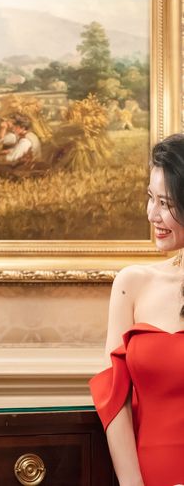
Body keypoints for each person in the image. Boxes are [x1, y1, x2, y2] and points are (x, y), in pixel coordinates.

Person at [90, 134, 184, 486]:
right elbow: (114, 398)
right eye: (150, 197)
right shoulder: (132, 283)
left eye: (166, 203)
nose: (152, 214)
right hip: (146, 474)